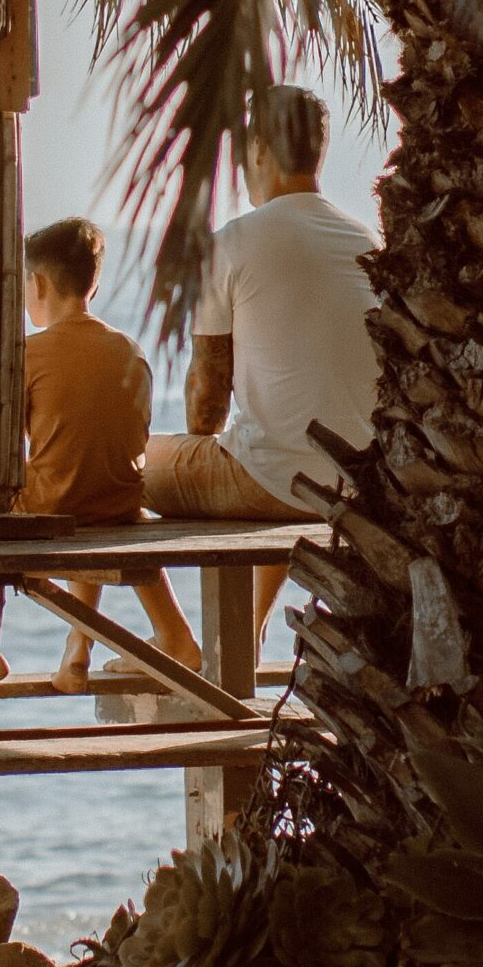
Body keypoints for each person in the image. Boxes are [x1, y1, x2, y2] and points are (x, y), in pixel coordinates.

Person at [144, 83, 380, 650]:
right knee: (272, 439)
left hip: (273, 480)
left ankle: (172, 635)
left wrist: (196, 448)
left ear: (258, 151)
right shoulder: (366, 241)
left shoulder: (231, 243)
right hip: (356, 487)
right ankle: (246, 637)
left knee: (121, 466)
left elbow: (207, 395)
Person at [0, 216, 200, 693]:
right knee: (82, 480)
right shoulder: (130, 351)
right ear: (93, 284)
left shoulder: (28, 354)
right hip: (118, 506)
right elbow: (107, 441)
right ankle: (84, 648)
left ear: (36, 284)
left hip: (56, 510)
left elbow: (2, 454)